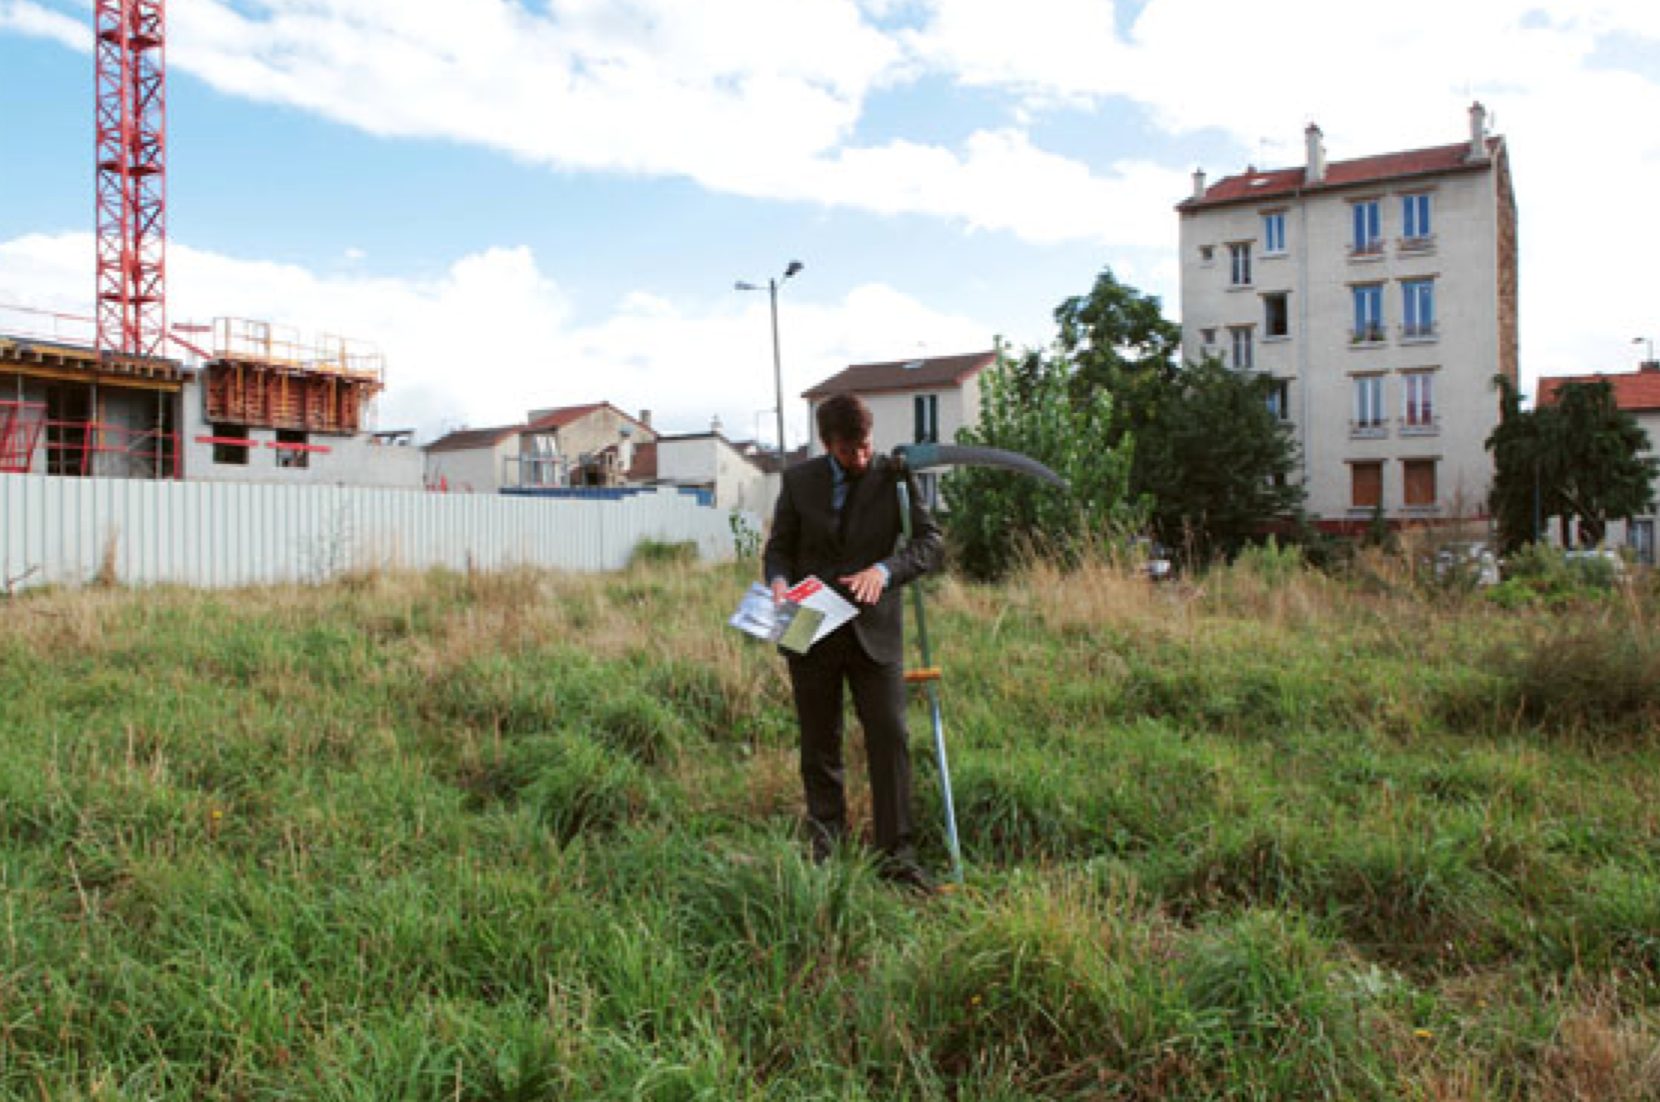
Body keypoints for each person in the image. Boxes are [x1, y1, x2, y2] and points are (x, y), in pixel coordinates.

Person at [762, 393, 942, 890]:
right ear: (827, 444)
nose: (861, 458)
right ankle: (828, 855)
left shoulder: (895, 477)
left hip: (874, 631)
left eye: (865, 447)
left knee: (890, 739)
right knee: (819, 744)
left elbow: (929, 544)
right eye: (848, 451)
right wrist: (778, 581)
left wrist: (885, 571)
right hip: (807, 624)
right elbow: (779, 549)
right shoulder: (798, 481)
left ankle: (897, 859)